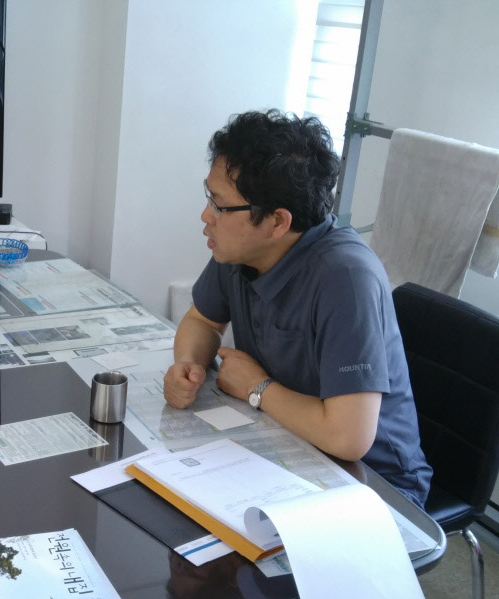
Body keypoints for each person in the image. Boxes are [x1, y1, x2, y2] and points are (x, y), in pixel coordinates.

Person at [164, 109, 432, 507]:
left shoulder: (345, 278)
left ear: (277, 222)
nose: (206, 216)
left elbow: (349, 438)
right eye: (209, 197)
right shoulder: (240, 250)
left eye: (219, 206)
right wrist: (188, 366)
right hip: (282, 440)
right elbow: (202, 320)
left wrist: (256, 388)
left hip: (373, 485)